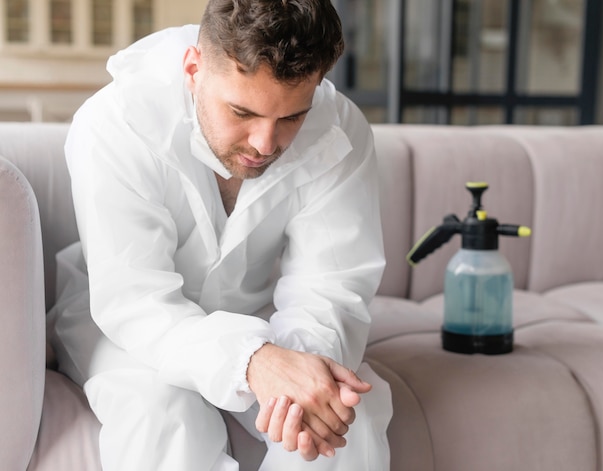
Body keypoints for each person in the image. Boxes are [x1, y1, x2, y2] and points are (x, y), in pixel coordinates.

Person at [48, 0, 392, 469]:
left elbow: (331, 287)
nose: (264, 144)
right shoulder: (114, 123)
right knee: (163, 413)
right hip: (123, 323)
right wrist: (253, 362)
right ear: (193, 68)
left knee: (344, 418)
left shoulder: (341, 130)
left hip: (254, 311)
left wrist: (300, 382)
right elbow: (135, 302)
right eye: (242, 111)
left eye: (292, 117)